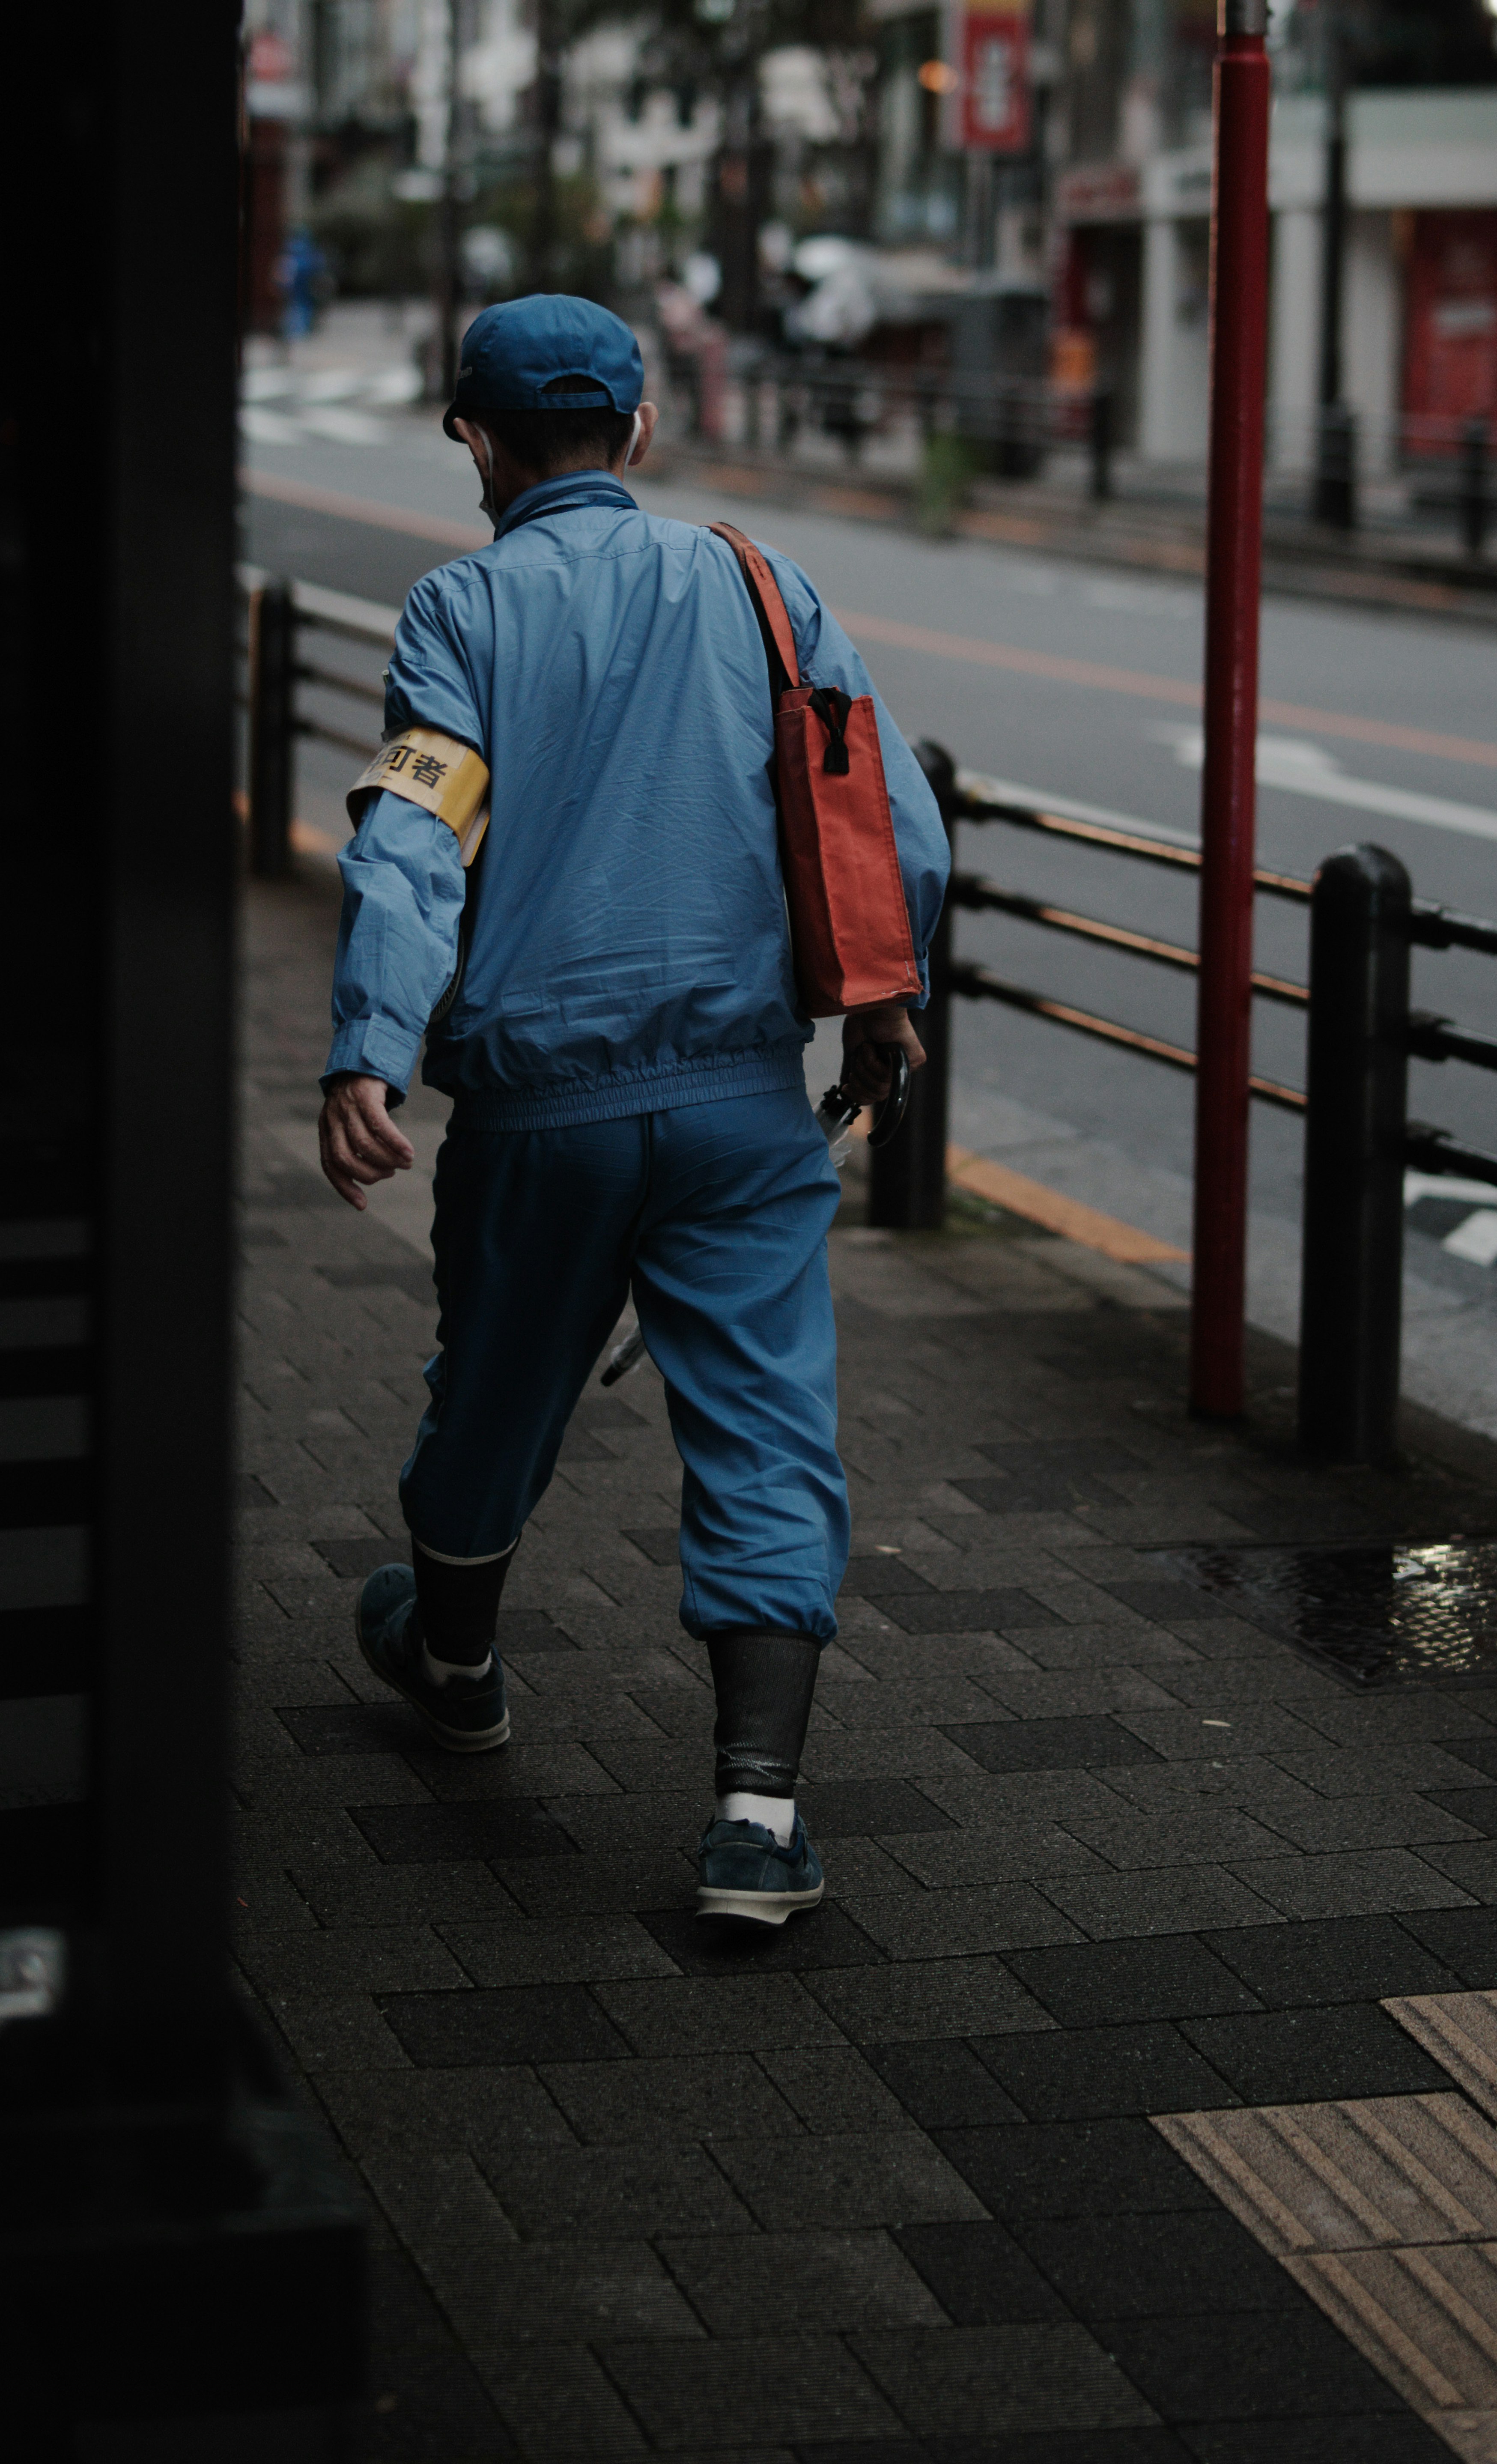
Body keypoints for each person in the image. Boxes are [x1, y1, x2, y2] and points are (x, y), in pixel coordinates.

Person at [318, 293, 948, 1925]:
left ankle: (455, 1665)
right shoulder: (761, 582)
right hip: (742, 1101)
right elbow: (883, 810)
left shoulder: (460, 610)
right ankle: (756, 1815)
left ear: (476, 437)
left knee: (496, 1398)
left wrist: (366, 1049)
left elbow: (413, 841)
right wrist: (885, 1000)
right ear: (643, 433)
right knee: (764, 1425)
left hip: (540, 1115)